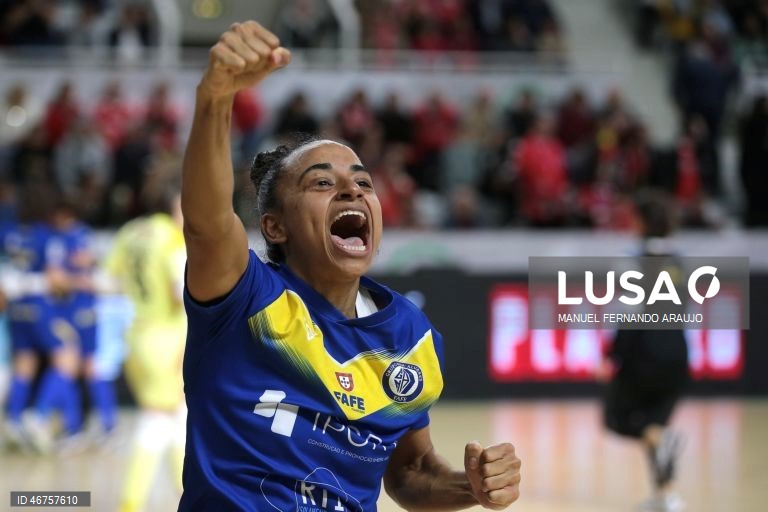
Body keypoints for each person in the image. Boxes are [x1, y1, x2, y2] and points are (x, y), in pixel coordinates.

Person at [179, 21, 521, 512]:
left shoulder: (410, 335)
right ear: (275, 227)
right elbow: (207, 224)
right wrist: (215, 99)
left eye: (363, 183)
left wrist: (471, 486)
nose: (352, 191)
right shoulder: (242, 297)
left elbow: (410, 471)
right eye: (321, 183)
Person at [599, 190, 689, 512]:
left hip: (643, 352)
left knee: (617, 419)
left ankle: (667, 482)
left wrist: (612, 355)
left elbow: (629, 314)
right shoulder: (679, 262)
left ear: (640, 221)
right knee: (655, 427)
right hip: (677, 352)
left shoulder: (632, 261)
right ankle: (668, 496)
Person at [103, 189, 187, 512]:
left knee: (177, 419)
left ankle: (188, 496)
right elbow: (179, 293)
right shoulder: (170, 240)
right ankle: (130, 503)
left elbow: (110, 278)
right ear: (172, 207)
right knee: (157, 423)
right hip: (166, 340)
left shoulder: (130, 232)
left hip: (137, 336)